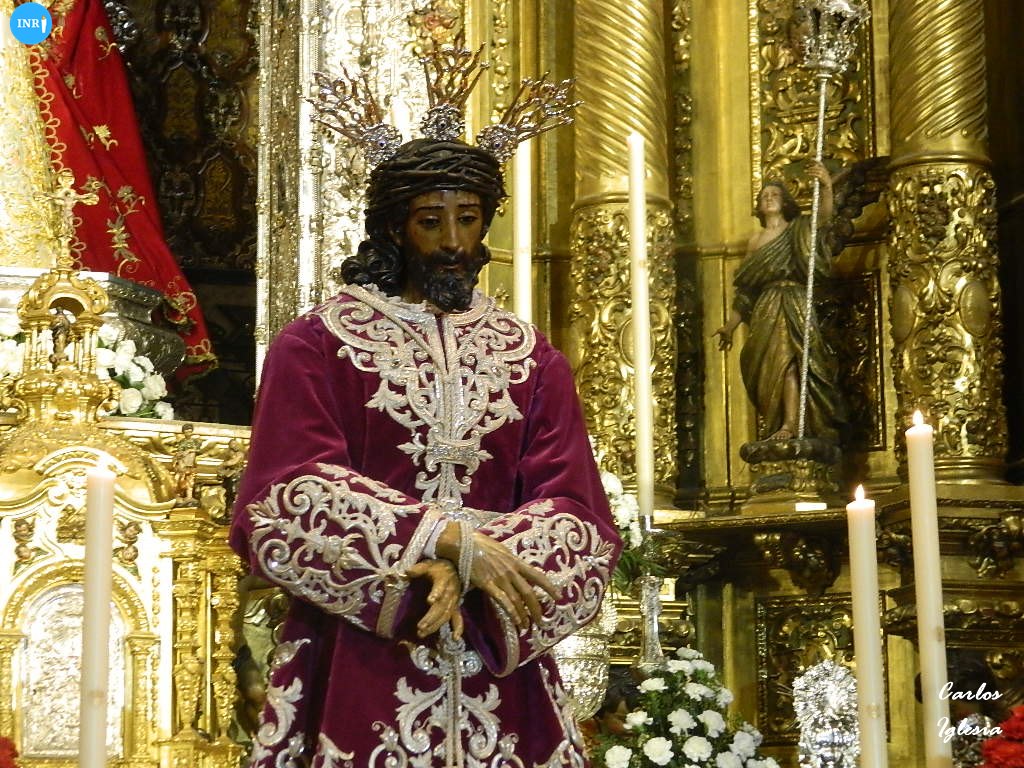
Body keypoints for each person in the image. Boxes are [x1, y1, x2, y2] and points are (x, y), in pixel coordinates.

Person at [231, 135, 620, 766]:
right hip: (359, 647)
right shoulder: (315, 344)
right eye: (431, 222)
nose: (453, 243)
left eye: (468, 219)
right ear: (394, 227)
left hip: (496, 650)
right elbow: (283, 493)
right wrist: (441, 541)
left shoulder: (531, 358)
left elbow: (579, 512)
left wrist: (479, 568)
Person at [713, 162, 842, 442]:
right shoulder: (755, 241)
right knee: (770, 367)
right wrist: (730, 326)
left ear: (785, 203)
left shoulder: (798, 228)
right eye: (764, 196)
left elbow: (823, 219)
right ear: (759, 207)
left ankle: (791, 424)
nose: (769, 198)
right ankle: (777, 422)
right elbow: (746, 290)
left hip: (794, 301)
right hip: (766, 307)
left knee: (791, 362)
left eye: (774, 195)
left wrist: (826, 185)